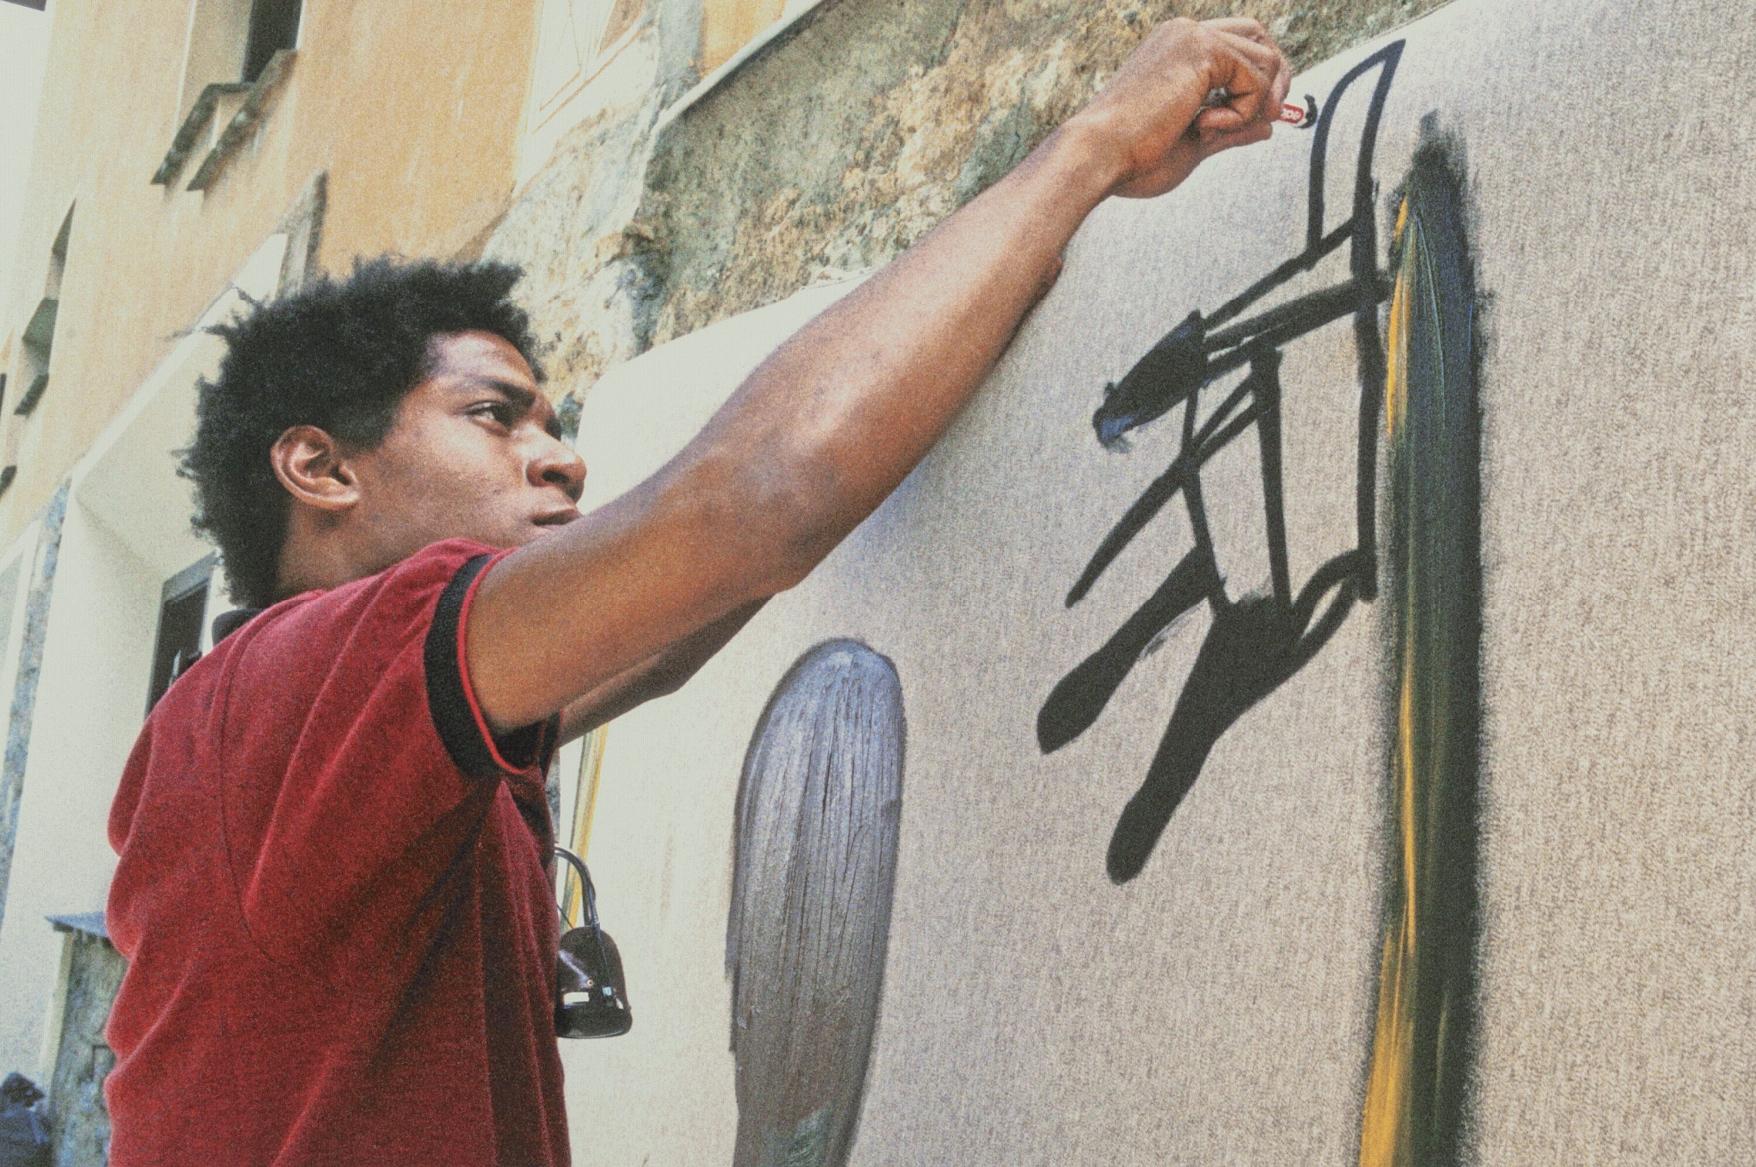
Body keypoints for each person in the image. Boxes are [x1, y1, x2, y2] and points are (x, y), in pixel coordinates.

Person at [104, 17, 1291, 1166]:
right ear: (320, 468)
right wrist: (1090, 148)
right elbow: (755, 506)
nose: (560, 455)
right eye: (492, 416)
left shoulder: (318, 731)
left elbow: (668, 633)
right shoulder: (303, 675)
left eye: (555, 423)